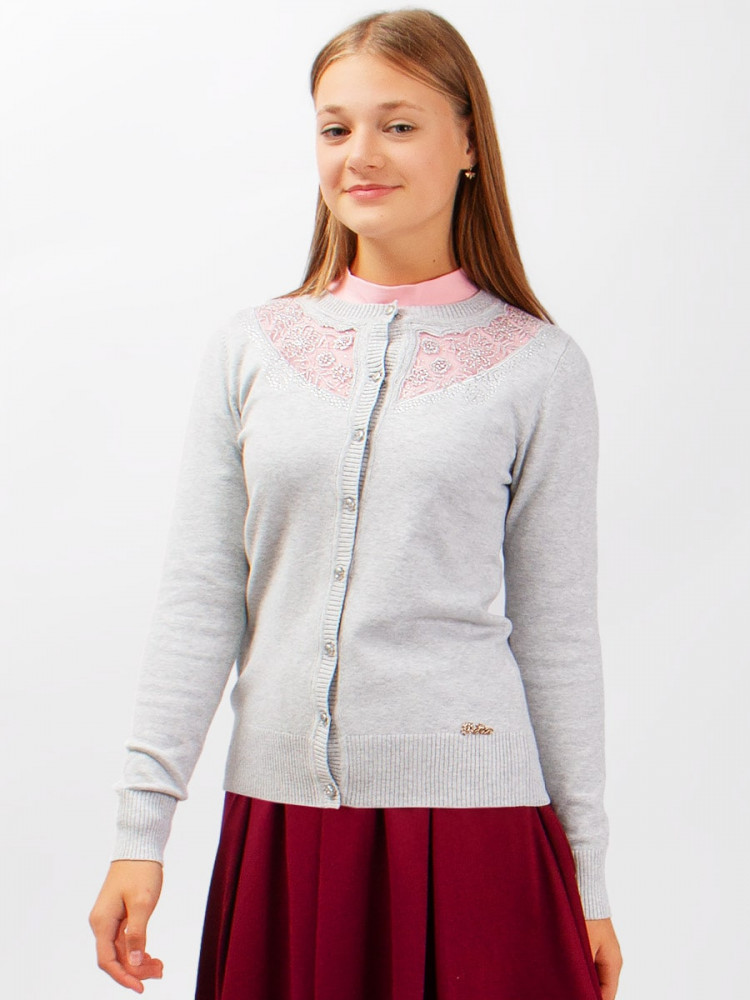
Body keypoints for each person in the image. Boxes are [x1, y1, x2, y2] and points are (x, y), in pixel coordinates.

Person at [89, 8, 623, 999]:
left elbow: (558, 635)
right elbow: (201, 599)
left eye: (399, 124)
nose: (361, 154)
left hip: (476, 830)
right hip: (282, 824)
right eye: (336, 127)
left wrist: (587, 881)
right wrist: (139, 831)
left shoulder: (540, 367)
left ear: (470, 142)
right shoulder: (251, 348)